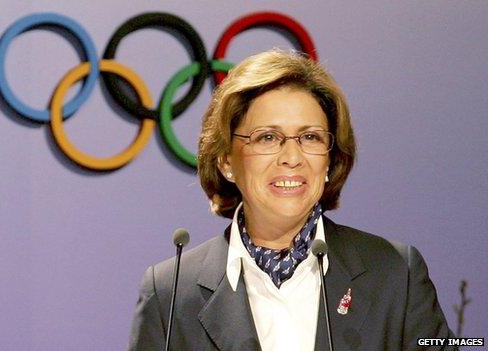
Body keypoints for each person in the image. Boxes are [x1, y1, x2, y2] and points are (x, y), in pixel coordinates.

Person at [128, 49, 455, 350]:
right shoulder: (170, 293)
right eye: (268, 137)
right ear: (226, 160)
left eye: (310, 137)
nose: (292, 157)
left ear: (330, 159)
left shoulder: (396, 272)